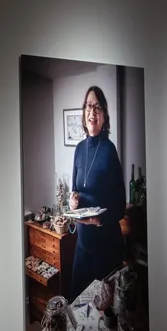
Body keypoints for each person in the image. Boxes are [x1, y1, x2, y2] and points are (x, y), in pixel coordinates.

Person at [68, 85, 126, 298]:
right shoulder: (79, 149)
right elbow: (75, 191)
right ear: (84, 113)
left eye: (98, 107)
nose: (93, 112)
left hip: (106, 245)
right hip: (83, 243)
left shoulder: (109, 150)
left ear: (104, 115)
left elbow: (120, 206)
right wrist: (73, 201)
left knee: (104, 310)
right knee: (77, 299)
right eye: (89, 107)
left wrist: (98, 220)